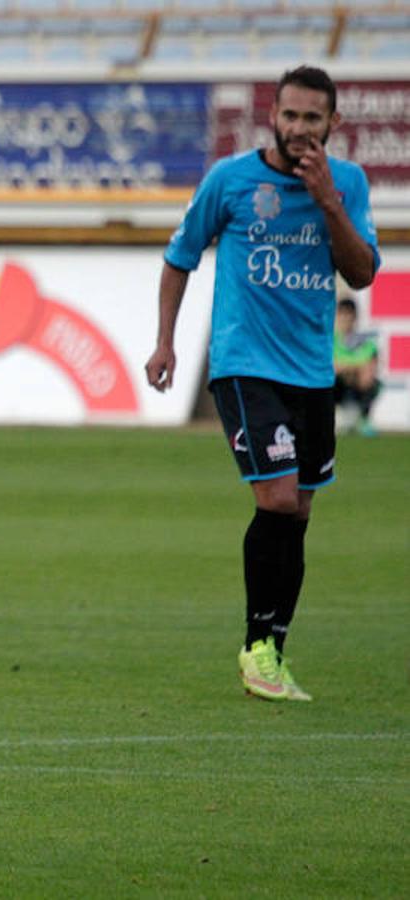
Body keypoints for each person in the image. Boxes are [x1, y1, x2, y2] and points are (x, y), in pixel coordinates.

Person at [145, 66, 379, 702]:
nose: (299, 128)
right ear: (272, 116)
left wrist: (329, 201)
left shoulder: (349, 185)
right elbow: (179, 257)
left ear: (334, 124)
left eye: (313, 118)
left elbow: (360, 274)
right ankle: (254, 649)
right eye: (290, 115)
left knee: (299, 510)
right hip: (245, 364)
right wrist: (165, 342)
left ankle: (274, 648)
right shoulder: (232, 180)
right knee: (275, 499)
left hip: (311, 371)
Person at [333, 296, 381, 436]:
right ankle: (329, 419)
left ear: (355, 317)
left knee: (372, 381)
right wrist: (355, 366)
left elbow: (369, 367)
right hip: (337, 386)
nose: (346, 319)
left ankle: (363, 420)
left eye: (349, 315)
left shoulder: (366, 342)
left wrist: (345, 367)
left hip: (357, 385)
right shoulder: (330, 341)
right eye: (343, 315)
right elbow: (332, 367)